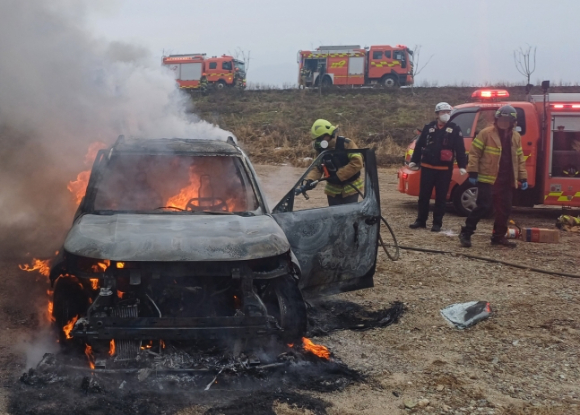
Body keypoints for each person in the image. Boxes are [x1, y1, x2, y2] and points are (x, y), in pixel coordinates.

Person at [458, 105, 528, 248]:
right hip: (487, 178)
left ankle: (498, 237)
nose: (504, 122)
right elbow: (474, 153)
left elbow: (519, 158)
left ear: (513, 122)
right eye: (501, 119)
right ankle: (466, 233)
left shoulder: (515, 137)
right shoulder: (486, 133)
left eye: (507, 120)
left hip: (507, 180)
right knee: (483, 207)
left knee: (505, 209)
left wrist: (523, 177)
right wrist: (473, 171)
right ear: (496, 120)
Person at [408, 102, 467, 232]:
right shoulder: (429, 128)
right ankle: (420, 220)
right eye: (443, 112)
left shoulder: (454, 129)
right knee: (424, 196)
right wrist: (414, 161)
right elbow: (419, 145)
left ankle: (437, 223)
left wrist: (463, 165)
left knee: (441, 198)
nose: (446, 115)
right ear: (437, 114)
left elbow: (460, 149)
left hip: (444, 171)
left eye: (448, 112)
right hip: (427, 167)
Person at [303, 119, 364, 206]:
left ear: (329, 134)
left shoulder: (346, 144)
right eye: (317, 139)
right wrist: (311, 179)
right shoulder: (321, 149)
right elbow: (317, 167)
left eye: (320, 138)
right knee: (335, 216)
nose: (319, 141)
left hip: (350, 188)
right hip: (333, 191)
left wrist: (339, 176)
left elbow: (357, 162)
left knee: (349, 215)